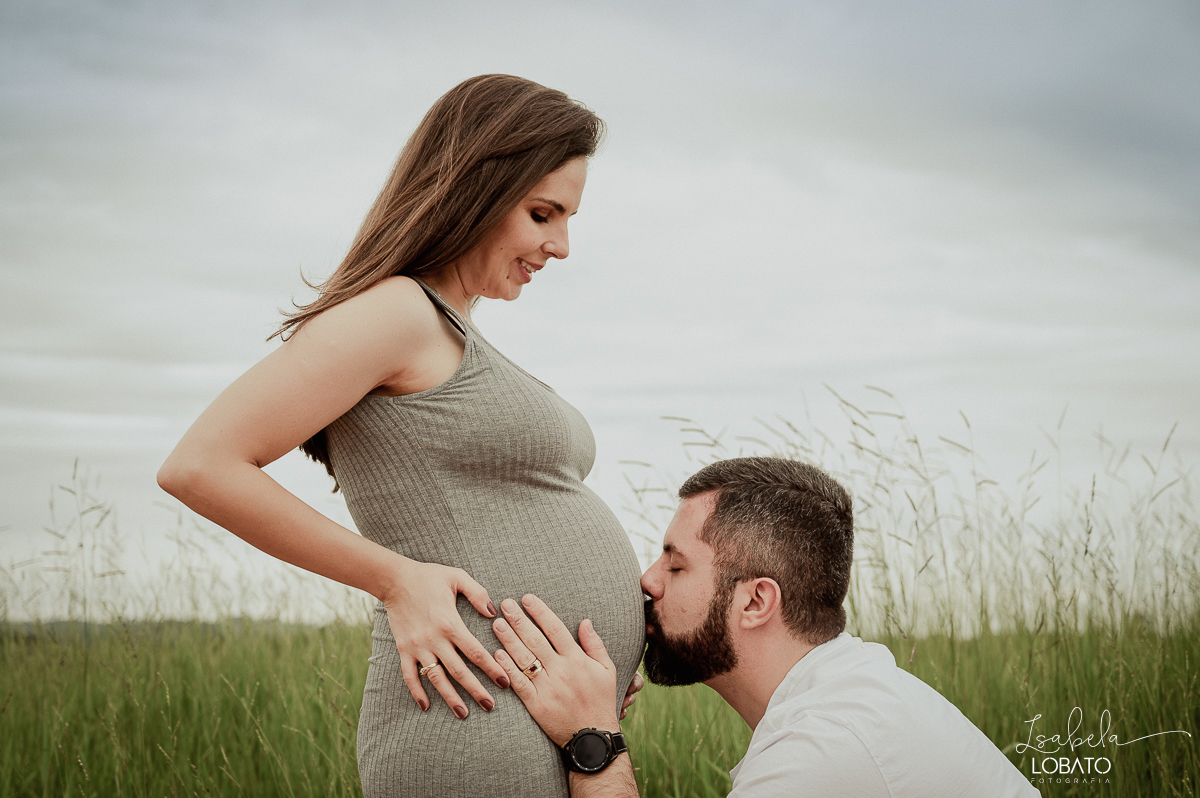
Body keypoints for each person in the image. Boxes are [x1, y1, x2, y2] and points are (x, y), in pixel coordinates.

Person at [157, 74, 645, 798]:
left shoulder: (451, 326)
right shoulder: (398, 312)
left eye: (568, 218)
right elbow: (200, 465)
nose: (561, 245)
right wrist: (396, 580)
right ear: (477, 188)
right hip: (473, 710)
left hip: (539, 709)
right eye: (542, 213)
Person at [490, 456, 1040, 797]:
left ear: (755, 601)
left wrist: (593, 738)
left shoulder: (825, 747)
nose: (648, 580)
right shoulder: (853, 690)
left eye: (676, 566)